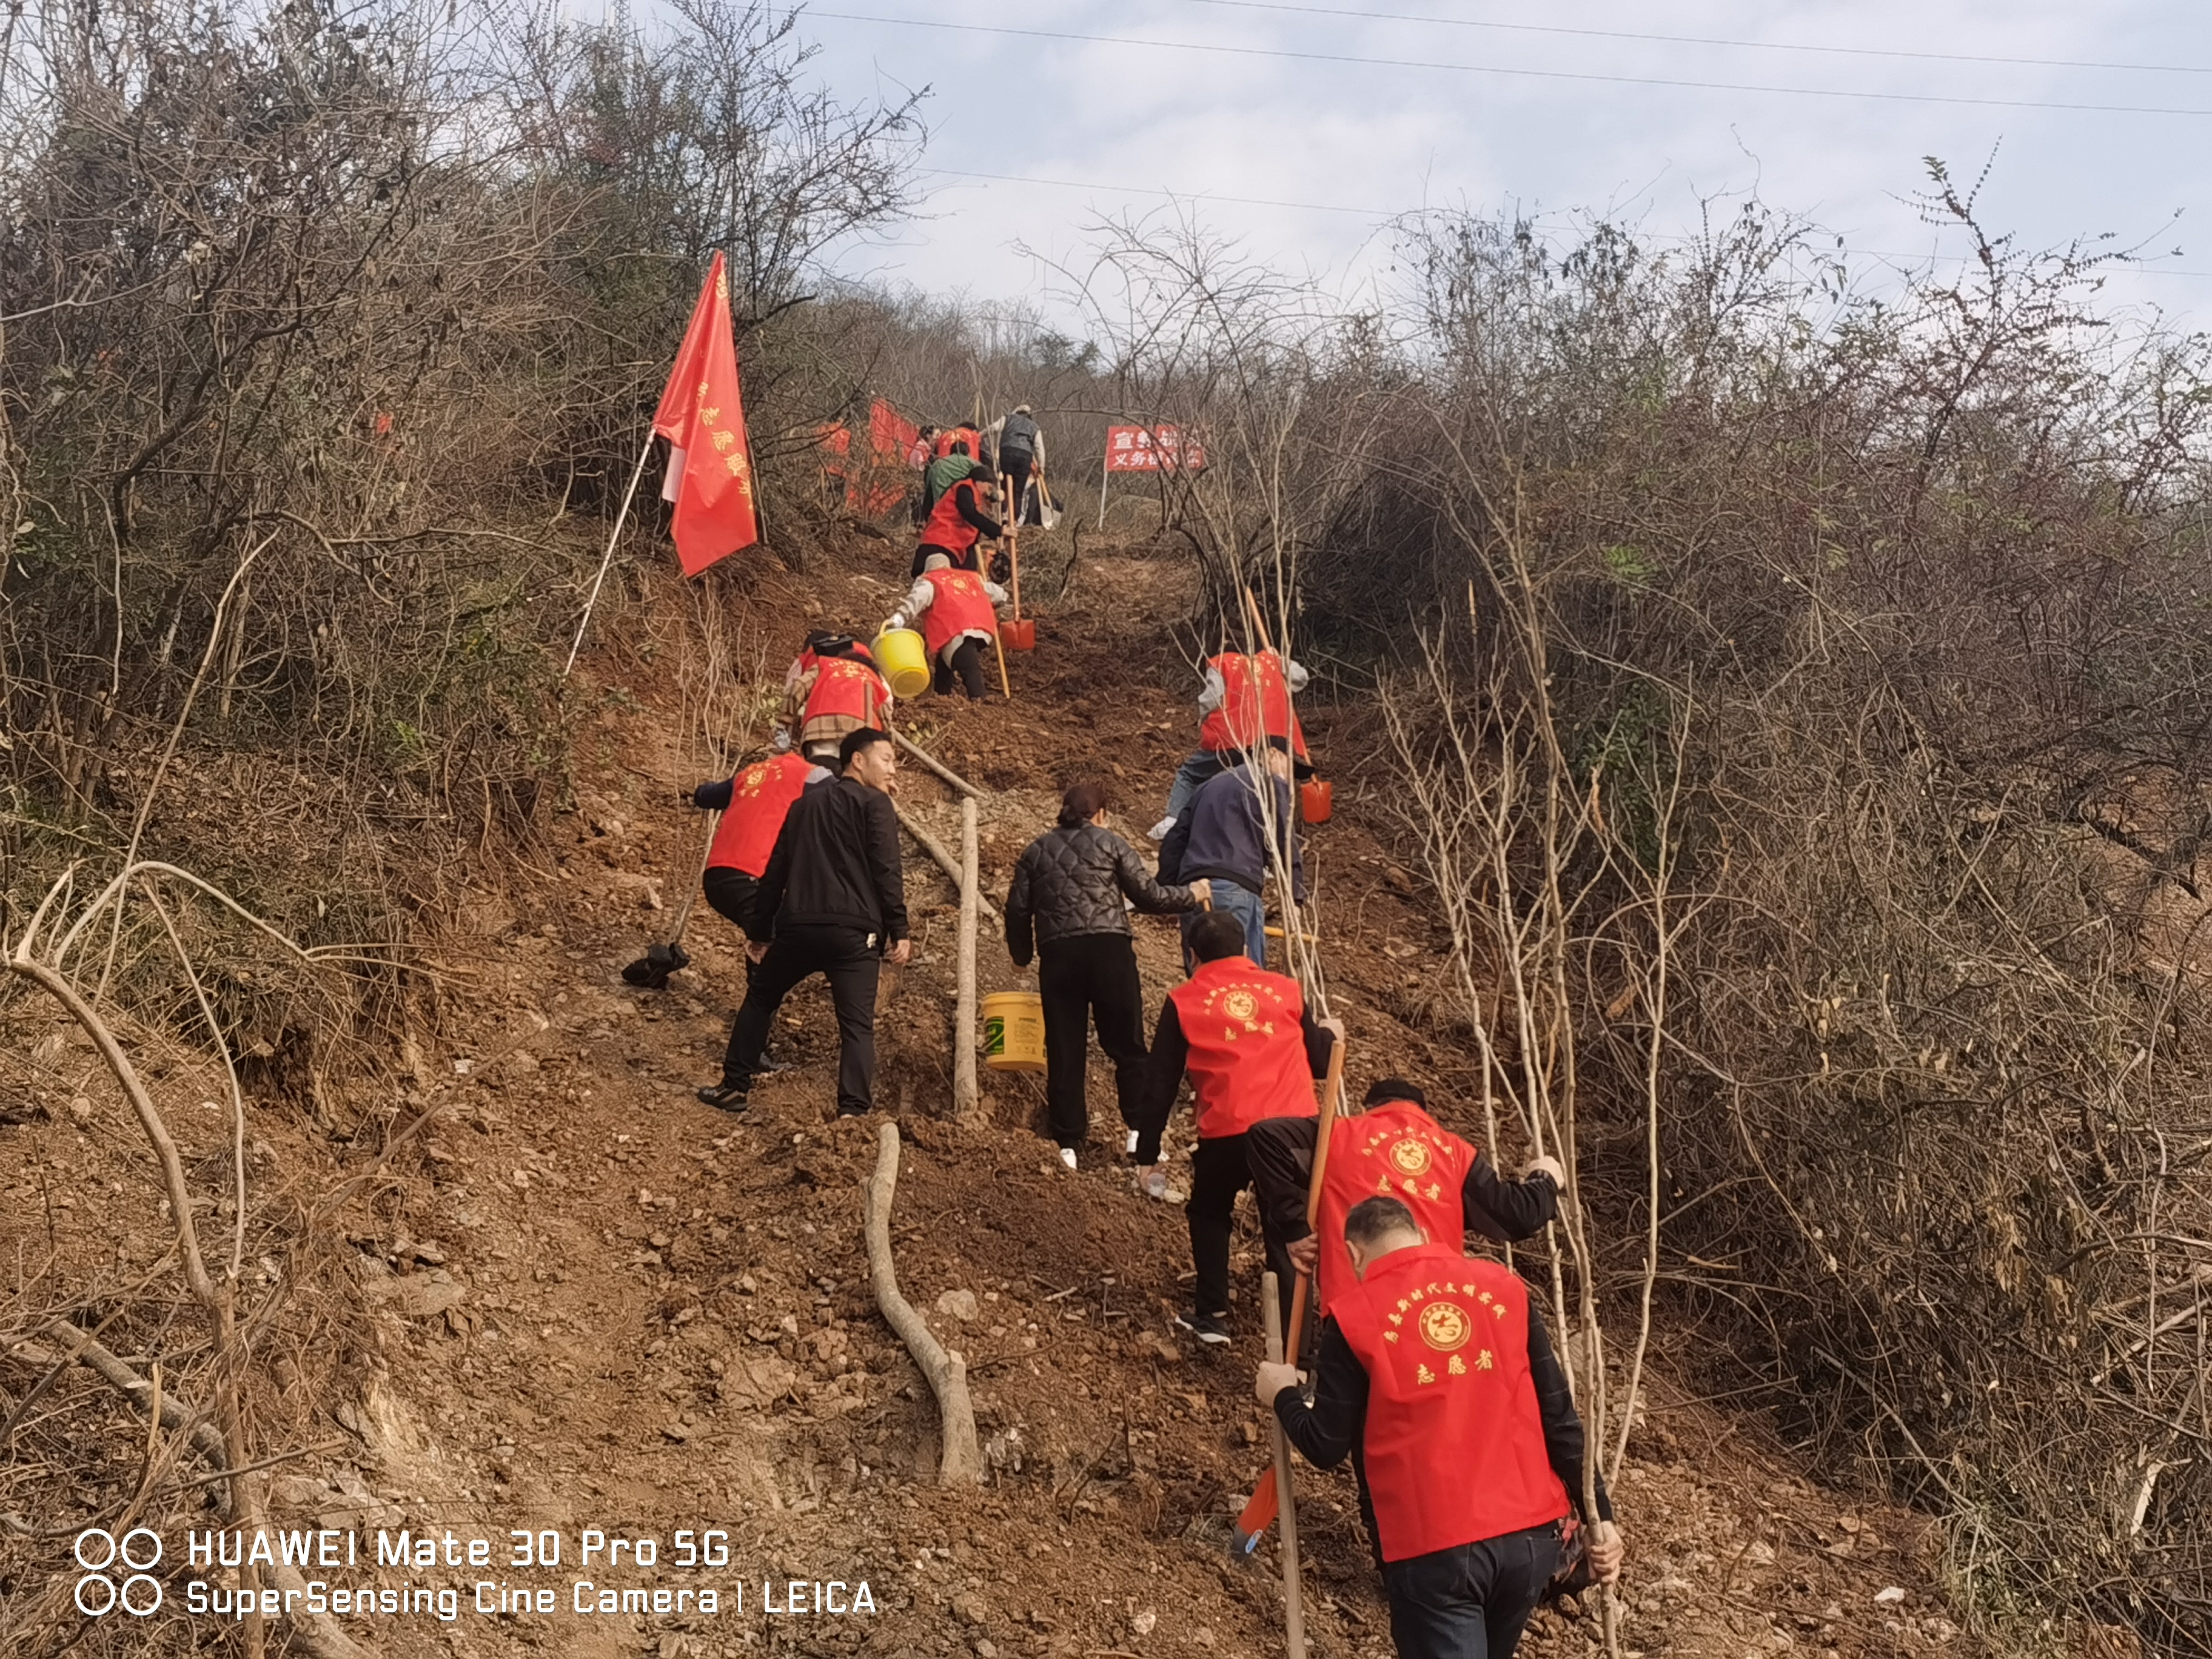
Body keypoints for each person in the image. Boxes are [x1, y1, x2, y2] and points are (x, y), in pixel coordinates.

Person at [1256, 1195, 1623, 1659]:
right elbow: (1560, 1417)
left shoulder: (1353, 1318)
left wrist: (1283, 1394)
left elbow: (1326, 1445)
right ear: (1423, 1235)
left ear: (1353, 1254)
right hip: (1529, 1540)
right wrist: (1600, 1517)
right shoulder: (1504, 1289)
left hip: (1434, 1545)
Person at [1131, 907, 1341, 1344]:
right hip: (1293, 1132)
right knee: (1287, 1232)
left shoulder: (1184, 1000)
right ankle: (1298, 1352)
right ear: (1247, 949)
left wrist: (1147, 1153)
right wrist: (1327, 1032)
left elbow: (1160, 1081)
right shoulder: (1285, 989)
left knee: (1209, 1210)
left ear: (1193, 956)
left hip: (1228, 1131)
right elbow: (1321, 1063)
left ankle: (1212, 1314)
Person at [699, 727, 911, 1118]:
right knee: (856, 1026)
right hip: (854, 935)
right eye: (886, 759)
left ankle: (734, 1088)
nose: (892, 769)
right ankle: (852, 1112)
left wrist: (761, 933)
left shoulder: (802, 807)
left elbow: (775, 871)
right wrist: (899, 929)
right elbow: (887, 868)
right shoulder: (875, 804)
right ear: (857, 760)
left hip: (798, 928)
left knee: (761, 998)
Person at [1004, 782, 1212, 1170]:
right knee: (1128, 1046)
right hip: (1109, 951)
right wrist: (1193, 893)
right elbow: (1149, 895)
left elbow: (1017, 909)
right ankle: (1137, 1131)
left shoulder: (1035, 851)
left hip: (1059, 954)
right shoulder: (1110, 843)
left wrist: (1021, 955)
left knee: (1066, 1049)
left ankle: (1067, 1143)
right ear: (1101, 814)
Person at [1246, 1078, 1564, 1321]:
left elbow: (1266, 1137)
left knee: (1346, 1404)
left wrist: (1295, 1229)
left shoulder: (1340, 1133)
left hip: (1353, 1309)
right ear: (1423, 1113)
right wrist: (1546, 1179)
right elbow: (1516, 1214)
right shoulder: (1455, 1154)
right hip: (1428, 1310)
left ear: (1368, 1108)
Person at [1158, 737, 1307, 969]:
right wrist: (1295, 897)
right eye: (1291, 766)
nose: (1290, 777)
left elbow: (1175, 840)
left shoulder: (1207, 786)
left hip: (1194, 893)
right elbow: (1285, 841)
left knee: (1203, 981)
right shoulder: (1269, 783)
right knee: (1244, 983)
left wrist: (1170, 895)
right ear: (1273, 754)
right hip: (1236, 888)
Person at [1152, 646, 1313, 840]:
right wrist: (1280, 659)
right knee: (1268, 789)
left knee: (1191, 775)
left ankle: (1173, 822)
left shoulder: (1223, 662)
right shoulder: (1273, 662)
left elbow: (1211, 699)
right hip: (1276, 740)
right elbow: (1301, 678)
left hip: (1234, 737)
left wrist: (1203, 721)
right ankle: (1273, 842)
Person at [885, 553, 1008, 701]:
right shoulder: (971, 578)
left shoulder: (931, 581)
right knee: (945, 660)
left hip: (954, 629)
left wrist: (898, 619)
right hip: (982, 628)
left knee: (969, 667)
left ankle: (979, 697)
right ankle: (942, 693)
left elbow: (917, 600)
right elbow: (1000, 595)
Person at [781, 633, 893, 766]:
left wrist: (784, 722)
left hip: (820, 729)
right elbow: (886, 708)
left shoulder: (823, 663)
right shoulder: (870, 673)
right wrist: (887, 740)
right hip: (860, 731)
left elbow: (796, 688)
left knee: (821, 777)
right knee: (852, 778)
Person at [912, 465, 1002, 578]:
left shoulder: (974, 495)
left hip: (956, 547)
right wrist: (999, 531)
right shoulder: (964, 489)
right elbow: (971, 514)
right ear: (980, 483)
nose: (989, 492)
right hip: (941, 543)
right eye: (988, 487)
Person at [997, 404, 1044, 525]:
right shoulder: (1035, 427)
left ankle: (1004, 514)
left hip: (1007, 453)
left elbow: (994, 428)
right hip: (1025, 456)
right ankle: (1015, 519)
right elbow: (1039, 448)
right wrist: (1041, 466)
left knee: (1004, 486)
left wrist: (980, 435)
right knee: (1018, 490)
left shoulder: (1008, 418)